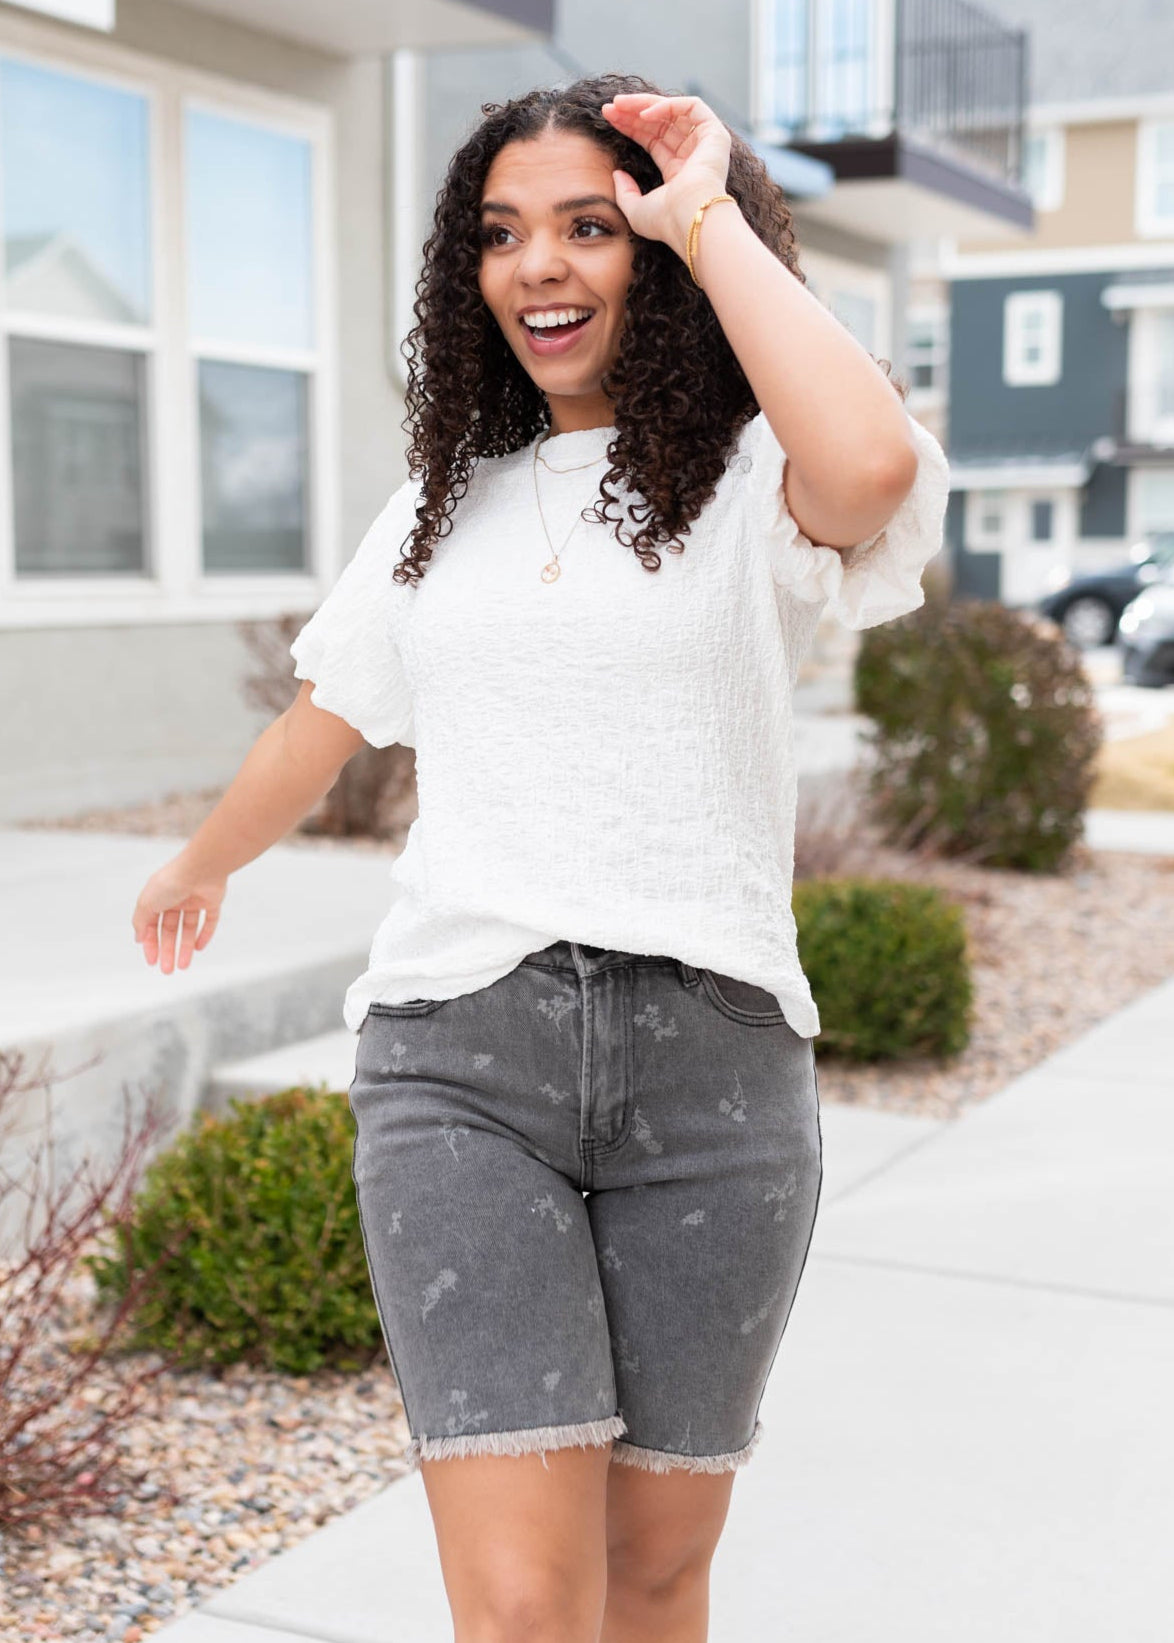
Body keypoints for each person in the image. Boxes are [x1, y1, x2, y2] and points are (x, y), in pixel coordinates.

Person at [132, 71, 949, 1643]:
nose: (540, 266)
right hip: (462, 1069)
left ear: (660, 253)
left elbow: (874, 464)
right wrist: (202, 862)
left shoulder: (747, 484)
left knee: (651, 1579)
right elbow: (322, 720)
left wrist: (698, 204)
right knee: (519, 1607)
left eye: (590, 225)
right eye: (502, 234)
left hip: (712, 1080)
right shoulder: (441, 508)